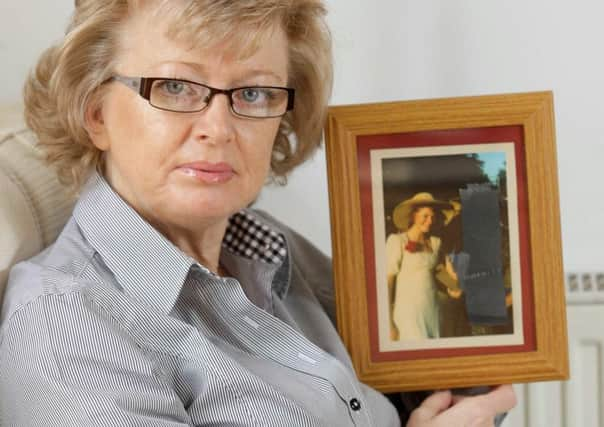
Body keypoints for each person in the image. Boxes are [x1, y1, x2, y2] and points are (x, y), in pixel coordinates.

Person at [0, 1, 515, 425]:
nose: (219, 129)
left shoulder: (270, 249)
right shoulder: (63, 326)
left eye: (253, 92)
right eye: (176, 86)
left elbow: (430, 374)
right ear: (96, 114)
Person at [386, 193, 461, 341]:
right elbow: (386, 285)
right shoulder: (397, 241)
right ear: (413, 216)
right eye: (425, 216)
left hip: (433, 311)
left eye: (432, 217)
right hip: (409, 315)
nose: (429, 221)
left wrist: (453, 288)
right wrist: (388, 325)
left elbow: (441, 275)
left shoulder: (435, 243)